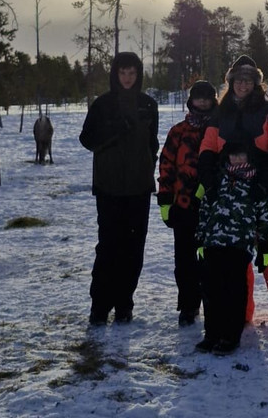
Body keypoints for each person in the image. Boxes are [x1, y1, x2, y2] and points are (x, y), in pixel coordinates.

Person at [199, 55, 268, 331]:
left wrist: (265, 180)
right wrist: (208, 177)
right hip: (230, 193)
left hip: (265, 191)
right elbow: (208, 147)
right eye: (237, 80)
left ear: (256, 83)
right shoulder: (220, 113)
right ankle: (239, 311)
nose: (242, 84)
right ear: (230, 83)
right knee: (235, 254)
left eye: (248, 80)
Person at [78, 51, 159, 327]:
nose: (127, 78)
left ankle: (125, 303)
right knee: (109, 247)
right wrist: (114, 131)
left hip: (138, 188)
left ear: (139, 75)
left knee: (134, 249)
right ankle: (100, 305)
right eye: (123, 73)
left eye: (132, 73)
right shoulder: (102, 105)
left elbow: (152, 144)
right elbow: (87, 139)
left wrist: (148, 167)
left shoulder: (148, 105)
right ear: (115, 74)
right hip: (109, 188)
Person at [195, 145, 268, 356]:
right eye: (234, 154)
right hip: (213, 243)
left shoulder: (256, 184)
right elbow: (204, 209)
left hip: (239, 247)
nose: (237, 158)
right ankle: (212, 334)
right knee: (211, 290)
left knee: (234, 291)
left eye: (242, 153)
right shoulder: (217, 180)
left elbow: (265, 218)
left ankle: (230, 335)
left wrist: (266, 247)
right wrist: (200, 239)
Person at [157, 79, 217, 327]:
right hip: (182, 207)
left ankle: (214, 304)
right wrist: (165, 201)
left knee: (211, 260)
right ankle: (189, 305)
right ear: (190, 101)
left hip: (212, 209)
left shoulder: (218, 129)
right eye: (198, 97)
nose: (202, 101)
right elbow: (166, 165)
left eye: (206, 97)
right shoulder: (178, 131)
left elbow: (220, 166)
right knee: (184, 260)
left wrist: (205, 192)